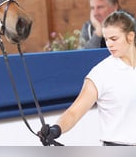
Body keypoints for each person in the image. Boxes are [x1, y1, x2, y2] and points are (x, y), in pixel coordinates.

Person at [38, 10, 136, 146]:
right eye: (106, 39)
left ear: (130, 36)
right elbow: (74, 112)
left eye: (114, 39)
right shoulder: (100, 73)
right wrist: (56, 129)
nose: (109, 44)